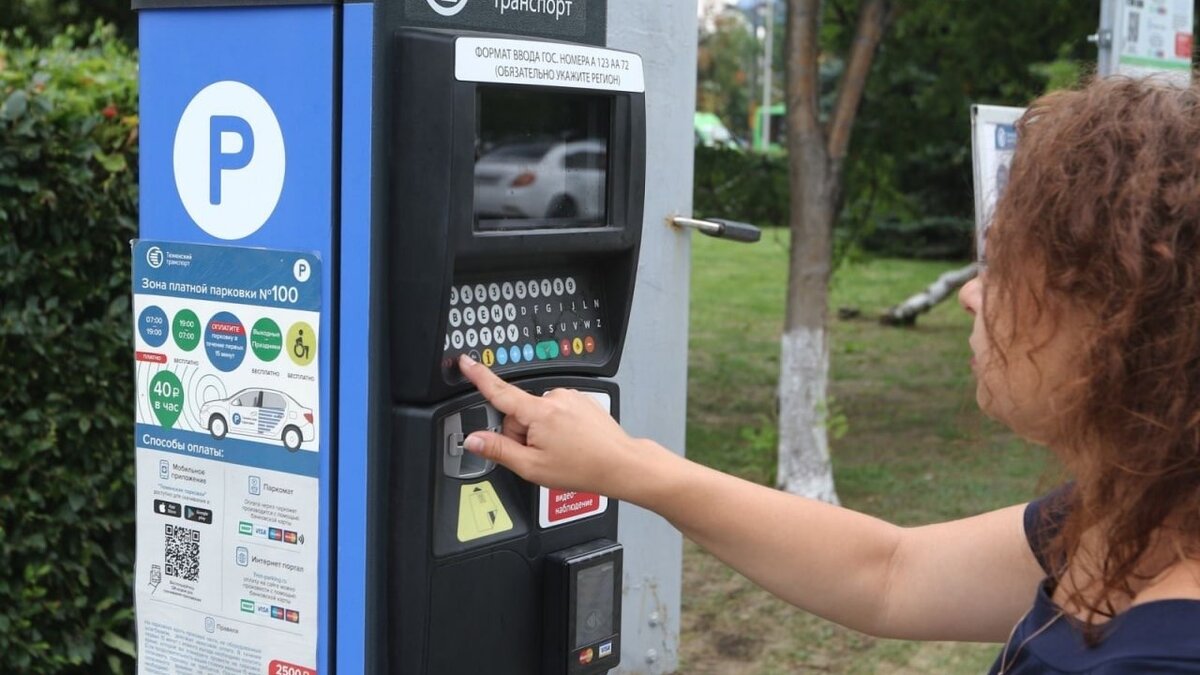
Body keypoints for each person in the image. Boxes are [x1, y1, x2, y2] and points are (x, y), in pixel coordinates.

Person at [458, 76, 1200, 673]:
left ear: (1121, 327)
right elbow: (890, 573)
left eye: (1006, 269)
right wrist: (628, 466)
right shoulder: (1131, 510)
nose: (973, 292)